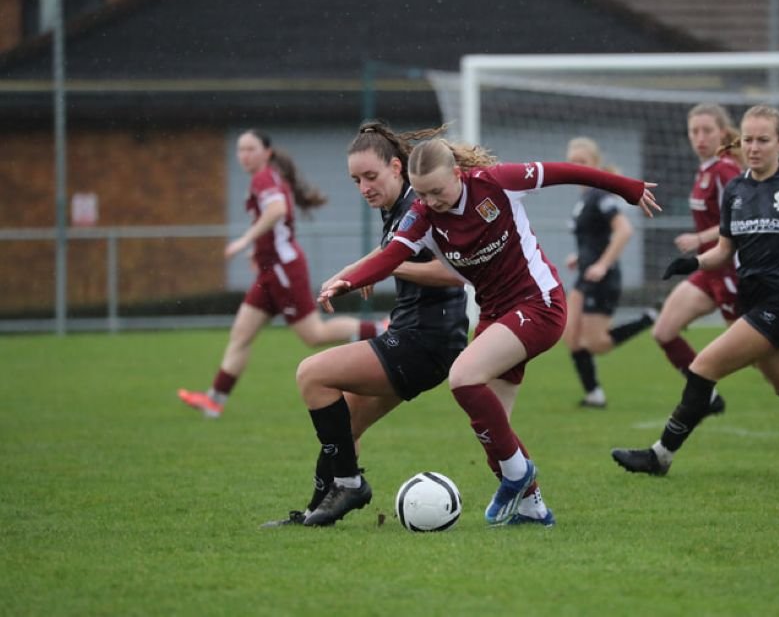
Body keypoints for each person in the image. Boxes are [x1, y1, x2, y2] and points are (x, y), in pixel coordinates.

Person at [317, 131, 660, 527]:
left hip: (540, 304)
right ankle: (533, 509)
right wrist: (348, 280)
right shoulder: (422, 216)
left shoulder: (497, 183)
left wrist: (628, 188)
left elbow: (565, 172)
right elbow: (392, 255)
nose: (429, 202)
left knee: (463, 376)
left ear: (458, 174)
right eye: (421, 194)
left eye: (436, 192)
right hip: (496, 315)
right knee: (494, 431)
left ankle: (520, 475)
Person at [612, 104, 779, 477]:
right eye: (749, 140)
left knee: (703, 367)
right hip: (751, 300)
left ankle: (660, 456)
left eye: (763, 140)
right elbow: (725, 250)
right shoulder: (736, 189)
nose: (754, 147)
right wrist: (695, 263)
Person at [263, 120, 470, 527]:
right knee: (343, 431)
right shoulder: (398, 208)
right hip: (420, 340)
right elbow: (397, 259)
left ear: (397, 167)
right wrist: (357, 275)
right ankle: (313, 514)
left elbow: (457, 272)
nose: (364, 188)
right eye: (356, 180)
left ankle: (351, 485)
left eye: (371, 176)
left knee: (312, 376)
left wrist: (389, 270)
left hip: (424, 341)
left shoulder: (418, 206)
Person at [178, 129, 386, 418]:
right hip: (269, 272)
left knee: (315, 334)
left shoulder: (265, 178)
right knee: (241, 334)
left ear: (267, 153)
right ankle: (215, 400)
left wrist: (244, 241)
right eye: (240, 150)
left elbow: (276, 211)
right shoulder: (264, 178)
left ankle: (380, 329)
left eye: (250, 149)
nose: (244, 155)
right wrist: (256, 251)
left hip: (283, 270)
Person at [653, 103, 779, 442]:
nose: (700, 137)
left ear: (723, 133)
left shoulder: (725, 171)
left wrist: (698, 239)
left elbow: (741, 219)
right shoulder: (704, 170)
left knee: (764, 361)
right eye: (694, 131)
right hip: (709, 271)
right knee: (664, 331)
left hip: (733, 272)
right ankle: (708, 398)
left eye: (707, 131)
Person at [562, 137, 657, 408]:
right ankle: (594, 395)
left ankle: (646, 320)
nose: (577, 167)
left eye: (583, 162)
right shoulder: (583, 198)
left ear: (595, 165)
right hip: (584, 276)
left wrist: (602, 264)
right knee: (571, 337)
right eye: (572, 162)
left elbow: (624, 230)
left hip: (602, 279)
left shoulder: (600, 194)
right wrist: (579, 257)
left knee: (595, 343)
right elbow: (593, 239)